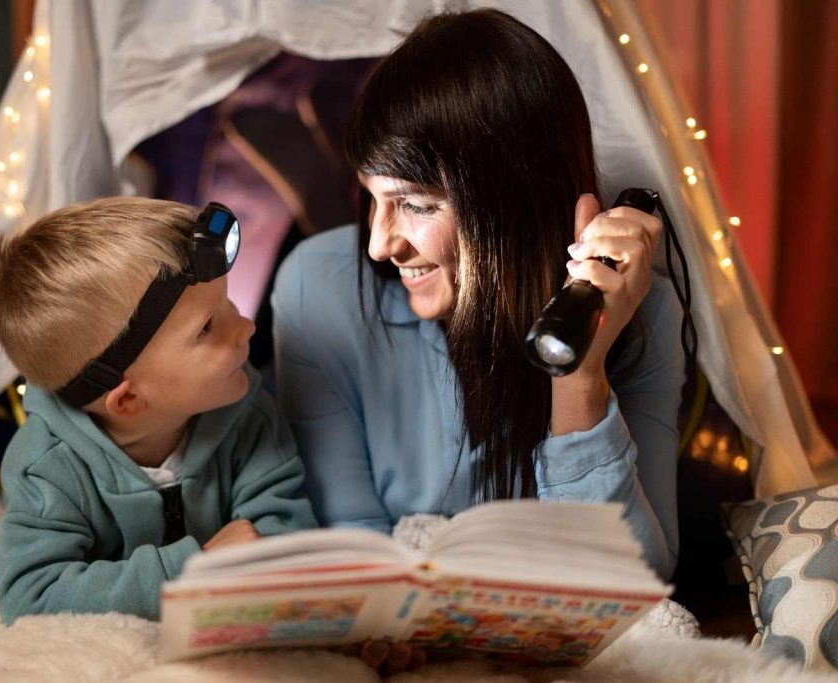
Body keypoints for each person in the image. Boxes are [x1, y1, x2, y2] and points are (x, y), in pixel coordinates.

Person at [272, 8, 686, 583]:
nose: (378, 244)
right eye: (373, 197)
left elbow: (637, 575)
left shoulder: (645, 315)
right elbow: (351, 539)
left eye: (415, 204)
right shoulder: (317, 289)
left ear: (510, 203)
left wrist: (579, 371)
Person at [0, 197, 317, 624]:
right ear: (127, 401)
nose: (246, 326)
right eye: (208, 327)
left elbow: (284, 532)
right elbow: (30, 597)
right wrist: (195, 569)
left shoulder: (248, 414)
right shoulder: (47, 468)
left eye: (227, 304)